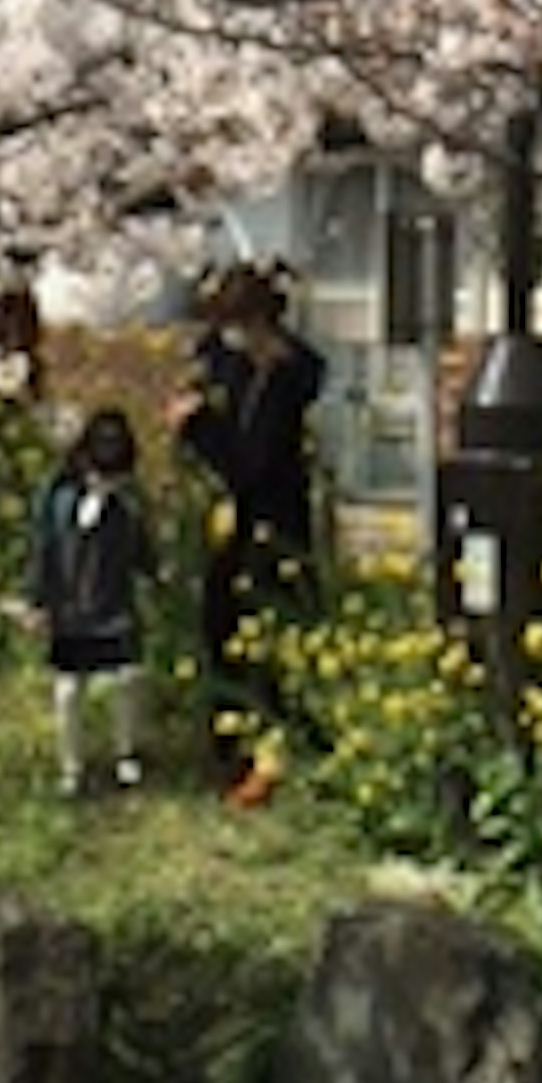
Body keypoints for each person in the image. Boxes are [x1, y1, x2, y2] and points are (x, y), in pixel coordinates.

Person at [175, 263, 328, 801]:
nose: (228, 336)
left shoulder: (284, 379)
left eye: (236, 324)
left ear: (261, 321)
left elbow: (252, 465)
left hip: (271, 529)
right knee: (221, 629)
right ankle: (227, 752)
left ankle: (267, 758)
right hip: (232, 527)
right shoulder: (233, 366)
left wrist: (199, 426)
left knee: (267, 638)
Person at [23, 400, 154, 795]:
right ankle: (71, 765)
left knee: (127, 680)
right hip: (70, 610)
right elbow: (43, 547)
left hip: (115, 607)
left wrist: (155, 571)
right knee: (67, 691)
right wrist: (36, 601)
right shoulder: (58, 493)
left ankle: (126, 753)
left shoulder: (128, 501)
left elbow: (142, 548)